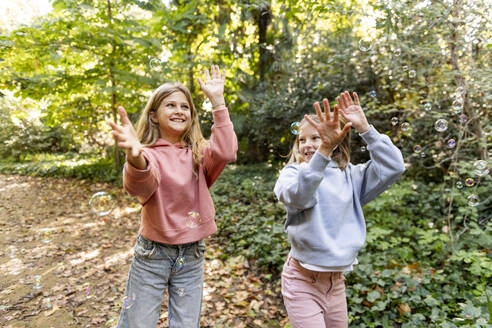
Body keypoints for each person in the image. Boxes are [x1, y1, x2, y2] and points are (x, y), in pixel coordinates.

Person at [108, 65, 237, 328]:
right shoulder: (147, 155)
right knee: (137, 323)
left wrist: (218, 103)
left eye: (185, 106)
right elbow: (139, 186)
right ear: (154, 116)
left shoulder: (199, 153)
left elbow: (226, 152)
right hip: (152, 254)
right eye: (170, 105)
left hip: (191, 254)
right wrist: (135, 157)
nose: (179, 110)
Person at [274, 91, 405, 328]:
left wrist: (366, 129)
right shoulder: (292, 174)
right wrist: (323, 150)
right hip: (301, 281)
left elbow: (394, 167)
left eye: (316, 138)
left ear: (337, 140)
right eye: (302, 140)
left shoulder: (351, 176)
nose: (307, 145)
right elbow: (301, 196)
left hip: (336, 284)